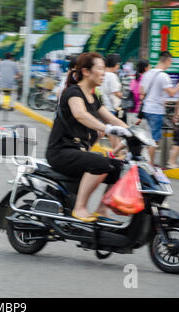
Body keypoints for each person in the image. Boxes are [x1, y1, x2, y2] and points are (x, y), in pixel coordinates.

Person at [46, 52, 132, 223]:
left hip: (78, 151)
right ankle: (80, 208)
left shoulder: (93, 97)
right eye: (100, 68)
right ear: (86, 71)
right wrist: (108, 129)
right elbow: (80, 115)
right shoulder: (73, 92)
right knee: (100, 163)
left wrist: (133, 132)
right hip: (61, 152)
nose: (104, 72)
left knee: (118, 167)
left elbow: (112, 118)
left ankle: (102, 210)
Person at [137, 51, 179, 165]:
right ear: (166, 61)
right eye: (170, 62)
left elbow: (141, 92)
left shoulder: (147, 74)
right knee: (154, 140)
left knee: (148, 138)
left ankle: (146, 162)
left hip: (146, 109)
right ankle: (150, 165)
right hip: (156, 111)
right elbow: (171, 93)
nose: (170, 64)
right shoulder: (163, 76)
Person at [100, 54, 123, 149]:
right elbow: (115, 92)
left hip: (100, 106)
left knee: (101, 131)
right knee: (112, 132)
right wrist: (123, 96)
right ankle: (116, 153)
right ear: (116, 64)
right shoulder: (112, 76)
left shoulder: (101, 74)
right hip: (109, 108)